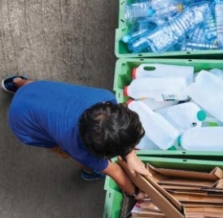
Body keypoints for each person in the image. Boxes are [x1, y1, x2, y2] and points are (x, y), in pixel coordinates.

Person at [3, 76, 150, 198]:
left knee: (32, 88)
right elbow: (116, 172)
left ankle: (17, 83)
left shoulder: (106, 99)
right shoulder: (79, 148)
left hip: (36, 90)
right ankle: (88, 172)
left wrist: (131, 157)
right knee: (62, 149)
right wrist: (135, 193)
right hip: (22, 124)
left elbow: (117, 129)